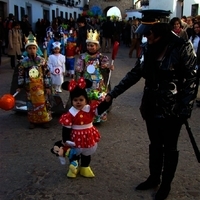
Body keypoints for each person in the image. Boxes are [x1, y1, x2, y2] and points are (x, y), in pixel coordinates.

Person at [104, 9, 197, 200]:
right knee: (155, 144)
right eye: (144, 34)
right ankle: (154, 177)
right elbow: (135, 73)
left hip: (173, 108)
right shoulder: (148, 48)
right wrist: (112, 94)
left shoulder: (182, 46)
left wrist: (184, 109)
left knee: (170, 147)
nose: (145, 37)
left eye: (148, 33)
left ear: (161, 31)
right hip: (151, 104)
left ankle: (166, 184)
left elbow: (191, 80)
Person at [55, 78, 112, 178]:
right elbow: (66, 128)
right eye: (75, 100)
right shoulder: (70, 114)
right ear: (72, 101)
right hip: (75, 137)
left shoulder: (90, 109)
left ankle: (85, 167)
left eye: (81, 100)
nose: (78, 102)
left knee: (87, 153)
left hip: (88, 136)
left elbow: (100, 110)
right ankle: (73, 168)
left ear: (86, 100)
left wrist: (106, 102)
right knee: (74, 153)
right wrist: (66, 140)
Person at [75, 29, 114, 123]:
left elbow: (105, 68)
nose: (90, 47)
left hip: (98, 83)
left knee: (98, 98)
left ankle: (98, 117)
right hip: (86, 82)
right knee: (86, 98)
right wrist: (78, 80)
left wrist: (109, 67)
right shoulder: (82, 57)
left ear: (97, 46)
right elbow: (79, 70)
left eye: (92, 45)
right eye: (88, 45)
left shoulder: (101, 57)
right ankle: (86, 117)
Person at [17, 33, 52, 129]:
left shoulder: (42, 61)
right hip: (29, 87)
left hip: (41, 87)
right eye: (29, 48)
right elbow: (20, 75)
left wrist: (48, 86)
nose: (32, 50)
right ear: (26, 50)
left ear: (37, 49)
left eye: (33, 48)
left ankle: (45, 120)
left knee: (44, 102)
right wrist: (20, 86)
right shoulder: (23, 62)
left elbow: (47, 74)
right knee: (31, 104)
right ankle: (33, 121)